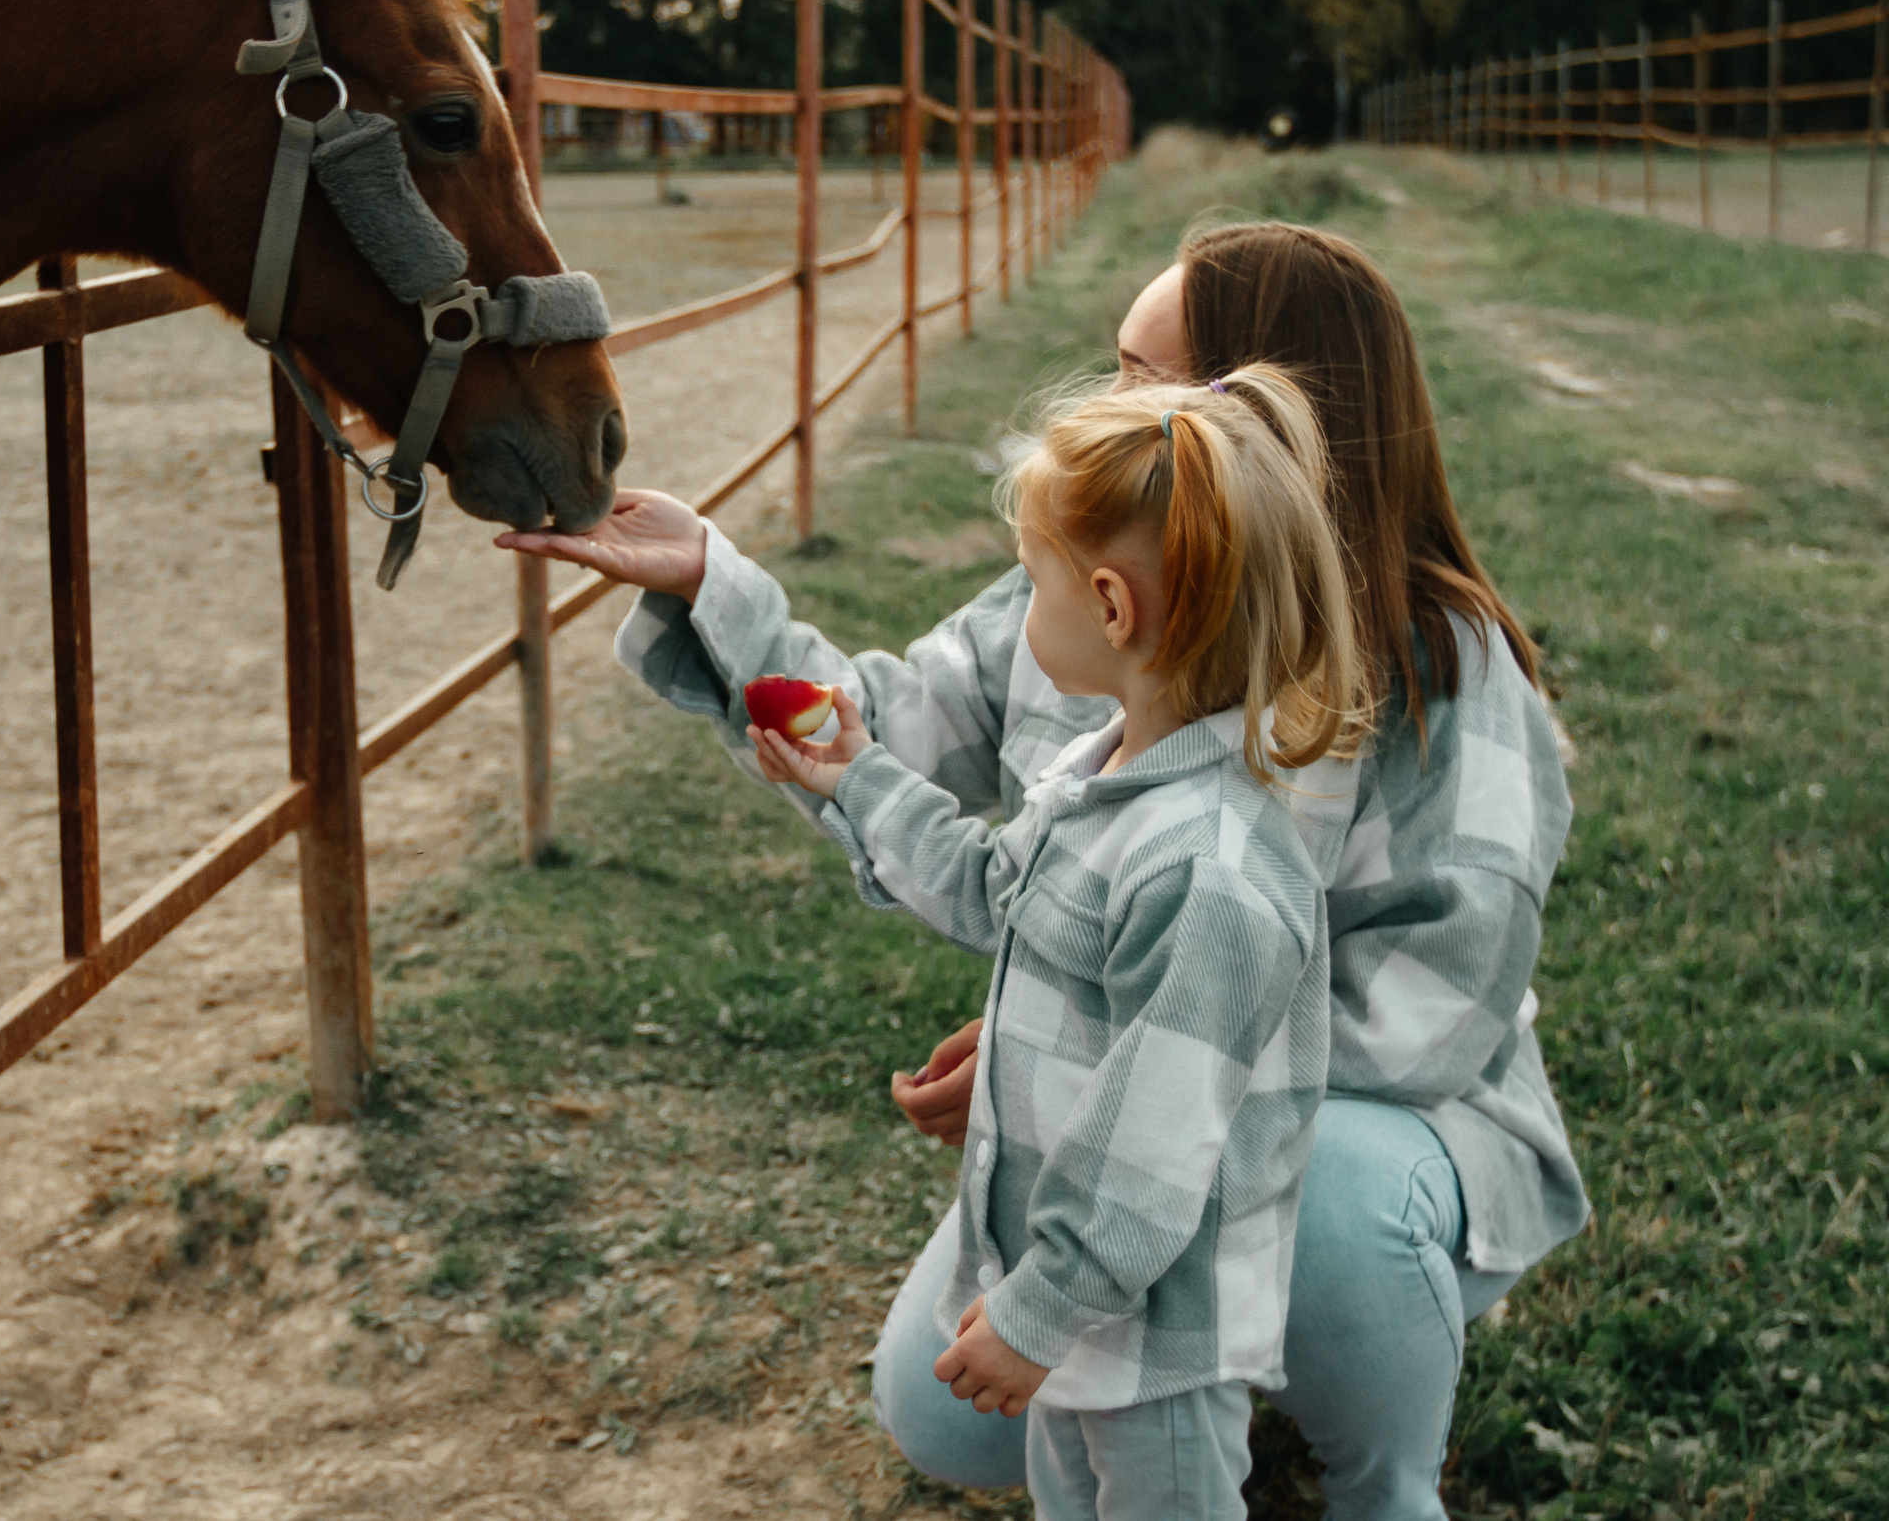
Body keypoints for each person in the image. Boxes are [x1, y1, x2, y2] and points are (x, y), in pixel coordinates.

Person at [498, 220, 1589, 1519]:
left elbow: (1429, 1024)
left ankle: (1373, 1460)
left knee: (1340, 1203)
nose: (1101, 408)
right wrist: (712, 585)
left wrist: (1095, 1046)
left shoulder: (1449, 675)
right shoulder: (1103, 586)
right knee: (936, 1406)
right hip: (1145, 1116)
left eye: (1142, 378)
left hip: (1374, 1130)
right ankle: (1209, 1369)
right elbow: (881, 730)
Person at [735, 369, 1367, 1518]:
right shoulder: (1106, 776)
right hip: (1074, 1309)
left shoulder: (1211, 872)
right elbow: (992, 888)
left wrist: (1036, 1312)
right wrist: (860, 780)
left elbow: (1155, 1143)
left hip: (1149, 1338)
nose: (1022, 612)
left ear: (1112, 609)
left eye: (1034, 584)